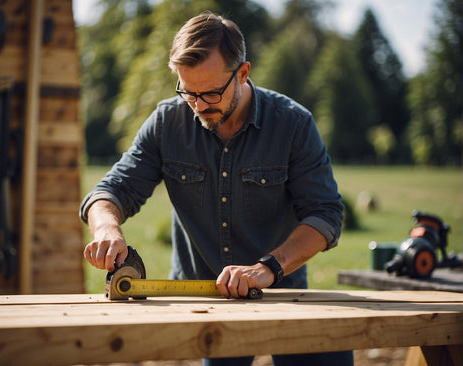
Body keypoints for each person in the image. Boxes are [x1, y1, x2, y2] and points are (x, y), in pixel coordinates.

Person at [80, 11, 353, 366]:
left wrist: (267, 268)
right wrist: (107, 229)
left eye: (210, 93)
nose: (198, 107)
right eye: (188, 93)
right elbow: (112, 189)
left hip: (282, 290)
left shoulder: (293, 124)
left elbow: (326, 213)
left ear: (242, 73)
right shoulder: (167, 122)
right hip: (201, 301)